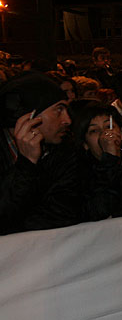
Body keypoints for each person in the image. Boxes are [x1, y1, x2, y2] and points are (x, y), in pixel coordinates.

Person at [0, 71, 80, 234]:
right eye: (59, 110)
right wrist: (27, 165)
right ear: (29, 116)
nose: (67, 120)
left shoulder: (65, 151)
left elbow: (62, 214)